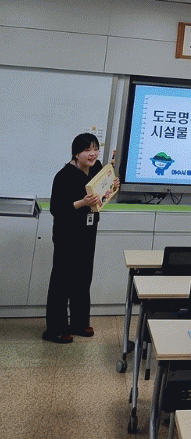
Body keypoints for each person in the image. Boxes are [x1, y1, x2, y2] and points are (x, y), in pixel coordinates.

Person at [43, 133, 118, 343]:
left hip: (88, 230)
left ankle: (79, 322)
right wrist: (82, 203)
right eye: (87, 150)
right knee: (62, 280)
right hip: (67, 234)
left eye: (95, 149)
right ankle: (55, 329)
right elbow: (56, 209)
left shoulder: (96, 168)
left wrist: (112, 186)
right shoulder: (64, 175)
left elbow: (102, 192)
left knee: (83, 277)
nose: (93, 154)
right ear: (76, 154)